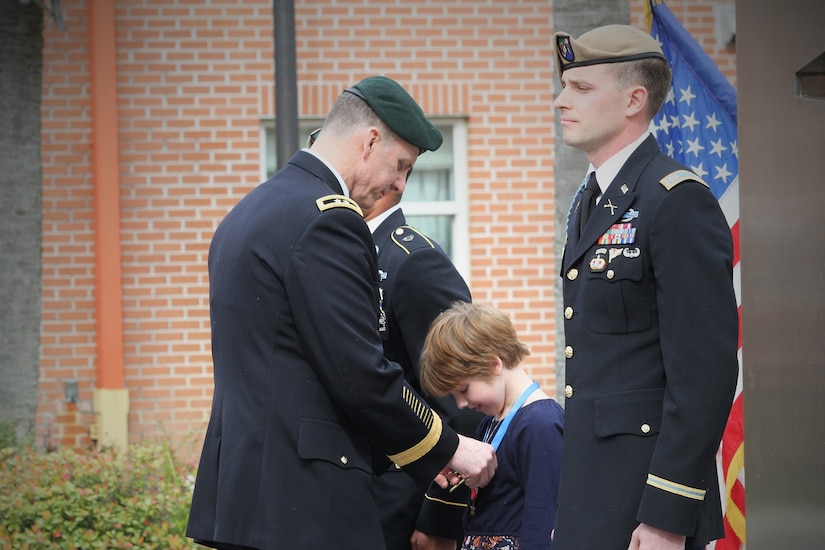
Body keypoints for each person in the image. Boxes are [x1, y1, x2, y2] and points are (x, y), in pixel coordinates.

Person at [186, 76, 497, 550]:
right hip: (308, 502)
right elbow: (361, 371)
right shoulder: (329, 219)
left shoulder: (249, 213)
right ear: (370, 140)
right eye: (401, 165)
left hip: (246, 497)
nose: (399, 184)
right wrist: (450, 448)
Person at [550, 25, 739, 550]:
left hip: (646, 510)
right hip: (598, 498)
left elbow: (704, 375)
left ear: (635, 99)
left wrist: (667, 517)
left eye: (581, 88)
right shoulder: (591, 201)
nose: (561, 101)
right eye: (564, 86)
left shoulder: (674, 200)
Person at [359, 188, 485, 550]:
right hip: (362, 492)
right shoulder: (351, 256)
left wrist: (441, 518)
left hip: (404, 499)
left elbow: (461, 399)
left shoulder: (412, 261)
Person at [419, 301, 565, 550]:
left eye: (463, 390)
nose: (461, 404)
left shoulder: (540, 424)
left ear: (493, 364)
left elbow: (543, 519)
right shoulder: (489, 424)